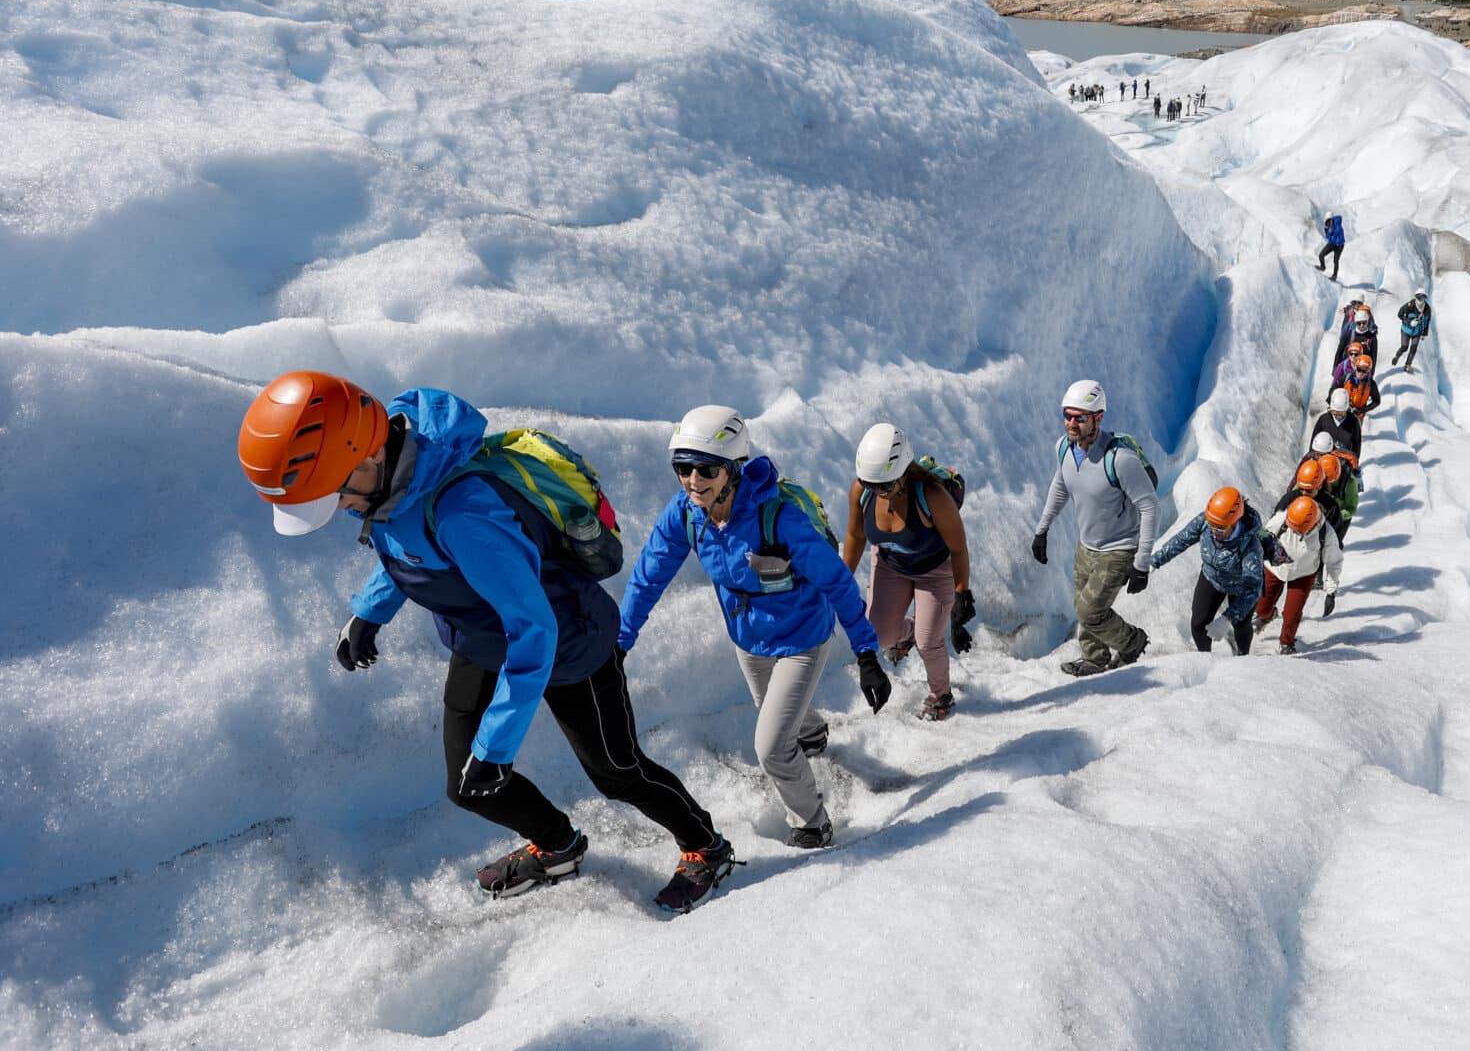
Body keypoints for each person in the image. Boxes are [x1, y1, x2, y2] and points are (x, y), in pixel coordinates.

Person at [237, 371, 731, 912]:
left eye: (332, 498)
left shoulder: (464, 513)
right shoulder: (386, 484)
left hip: (567, 643)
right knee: (468, 784)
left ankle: (707, 848)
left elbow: (533, 629)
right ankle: (558, 846)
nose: (336, 512)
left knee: (616, 771)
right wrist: (369, 611)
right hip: (481, 637)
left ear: (364, 458)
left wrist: (498, 746)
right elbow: (404, 544)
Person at [619, 405, 886, 851]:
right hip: (749, 642)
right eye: (682, 468)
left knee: (771, 748)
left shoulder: (778, 518)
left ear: (732, 468)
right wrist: (620, 642)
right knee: (780, 722)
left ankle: (813, 823)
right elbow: (649, 575)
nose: (692, 480)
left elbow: (837, 582)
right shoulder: (687, 513)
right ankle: (812, 734)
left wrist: (866, 653)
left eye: (705, 468)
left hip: (802, 637)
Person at [840, 423, 971, 722]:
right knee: (878, 635)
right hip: (890, 564)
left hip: (935, 570)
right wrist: (840, 580)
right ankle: (909, 632)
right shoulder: (862, 491)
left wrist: (963, 593)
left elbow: (959, 548)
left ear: (904, 473)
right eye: (869, 482)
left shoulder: (934, 497)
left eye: (884, 485)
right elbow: (856, 536)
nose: (877, 491)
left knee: (930, 641)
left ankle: (941, 694)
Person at [1031, 379, 1158, 677]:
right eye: (1068, 415)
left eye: (1080, 418)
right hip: (1086, 546)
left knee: (1090, 612)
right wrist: (1042, 530)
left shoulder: (1120, 460)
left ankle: (1132, 642)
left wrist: (1142, 563)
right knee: (1082, 609)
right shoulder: (1064, 448)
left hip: (1119, 549)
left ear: (1098, 418)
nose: (1071, 424)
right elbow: (1060, 486)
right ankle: (1095, 658)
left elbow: (1150, 507)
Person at [1150, 486, 1279, 656]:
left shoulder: (1251, 546)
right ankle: (1206, 658)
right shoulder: (1207, 521)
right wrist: (1154, 561)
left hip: (1241, 587)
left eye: (1220, 528)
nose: (1214, 531)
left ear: (1234, 522)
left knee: (1241, 624)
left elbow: (1252, 588)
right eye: (1212, 525)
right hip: (1212, 578)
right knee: (1198, 624)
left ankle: (1243, 656)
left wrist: (1227, 618)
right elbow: (1181, 540)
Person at [1255, 496, 1341, 655]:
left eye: (1297, 530)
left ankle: (1286, 644)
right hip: (1275, 568)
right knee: (1261, 607)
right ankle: (1267, 615)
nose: (1293, 531)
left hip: (1303, 574)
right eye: (1291, 527)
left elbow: (1334, 562)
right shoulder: (1281, 518)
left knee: (1291, 614)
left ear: (1312, 525)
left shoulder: (1326, 533)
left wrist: (1331, 591)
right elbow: (1262, 538)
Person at [1316, 452, 1360, 543]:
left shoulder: (1350, 482)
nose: (1327, 484)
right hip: (1318, 514)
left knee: (1334, 544)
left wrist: (1336, 516)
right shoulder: (1315, 473)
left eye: (1330, 481)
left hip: (1340, 516)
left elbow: (1351, 508)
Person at [1313, 388, 1364, 466]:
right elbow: (1314, 440)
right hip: (1323, 461)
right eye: (1335, 412)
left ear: (1346, 409)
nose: (1338, 416)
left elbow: (1357, 443)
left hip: (1343, 462)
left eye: (1341, 413)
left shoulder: (1354, 421)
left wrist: (1354, 461)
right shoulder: (1324, 419)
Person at [1335, 343, 1381, 417]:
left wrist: (1363, 410)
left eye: (1364, 371)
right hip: (1341, 414)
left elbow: (1377, 401)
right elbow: (1334, 392)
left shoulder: (1371, 384)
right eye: (1359, 369)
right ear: (1356, 368)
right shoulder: (1345, 378)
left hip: (1357, 417)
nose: (1361, 373)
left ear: (1368, 371)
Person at [1392, 290, 1432, 370]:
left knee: (1413, 348)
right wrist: (1409, 321)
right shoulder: (1409, 305)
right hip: (1406, 330)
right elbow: (1399, 314)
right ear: (1416, 297)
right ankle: (1397, 356)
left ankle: (1408, 365)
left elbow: (1427, 322)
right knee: (1404, 347)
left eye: (1423, 297)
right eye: (1419, 297)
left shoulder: (1427, 309)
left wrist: (1424, 333)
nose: (1421, 300)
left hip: (1417, 332)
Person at [1316, 213, 1346, 279]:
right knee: (1321, 255)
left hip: (1339, 245)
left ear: (1332, 219)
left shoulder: (1337, 223)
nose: (1328, 223)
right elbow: (1328, 237)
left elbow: (1337, 231)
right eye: (1327, 222)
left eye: (1329, 221)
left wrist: (1330, 231)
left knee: (1335, 260)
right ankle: (1322, 267)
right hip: (1332, 243)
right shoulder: (1329, 226)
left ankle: (1334, 276)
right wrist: (1327, 231)